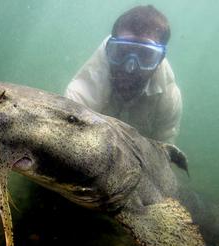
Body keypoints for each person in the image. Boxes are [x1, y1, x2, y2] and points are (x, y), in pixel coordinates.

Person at [65, 5, 183, 144]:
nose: (130, 68)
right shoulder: (82, 90)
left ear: (160, 60)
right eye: (121, 52)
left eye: (145, 55)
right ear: (109, 50)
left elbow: (164, 153)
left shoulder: (168, 98)